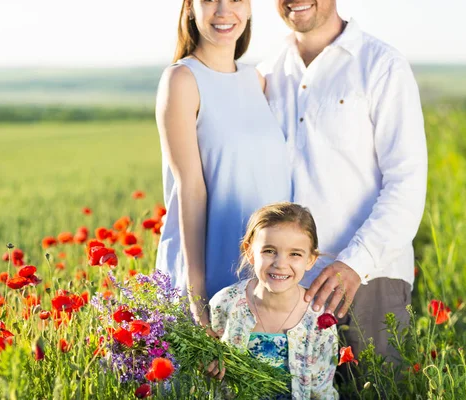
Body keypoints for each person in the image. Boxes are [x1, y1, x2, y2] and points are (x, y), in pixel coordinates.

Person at [259, 1, 428, 364]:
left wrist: (356, 263)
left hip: (370, 280)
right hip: (288, 285)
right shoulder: (268, 72)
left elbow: (407, 181)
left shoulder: (381, 65)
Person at [155, 0, 292, 328]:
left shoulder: (256, 80)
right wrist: (197, 294)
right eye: (209, 0)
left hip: (263, 275)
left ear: (248, 9)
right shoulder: (182, 80)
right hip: (209, 266)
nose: (222, 10)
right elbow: (190, 190)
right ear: (190, 8)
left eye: (235, 0)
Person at [209, 202, 339, 400]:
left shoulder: (319, 321)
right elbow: (207, 372)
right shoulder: (226, 303)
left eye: (295, 254)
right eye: (269, 251)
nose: (280, 264)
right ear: (249, 251)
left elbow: (321, 392)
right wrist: (208, 367)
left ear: (310, 259)